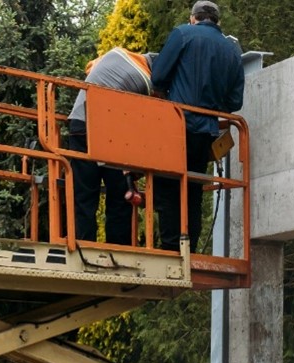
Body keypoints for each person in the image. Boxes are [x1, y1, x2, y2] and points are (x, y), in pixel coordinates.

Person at [149, 0, 245, 252]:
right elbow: (235, 101)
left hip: (176, 126)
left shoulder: (183, 34)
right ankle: (187, 249)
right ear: (218, 22)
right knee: (192, 189)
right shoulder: (231, 49)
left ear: (194, 18)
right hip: (206, 132)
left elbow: (157, 78)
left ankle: (170, 247)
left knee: (168, 185)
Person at [67, 47, 153, 245]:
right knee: (120, 195)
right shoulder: (144, 77)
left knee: (84, 194)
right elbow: (146, 118)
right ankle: (118, 249)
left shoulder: (114, 55)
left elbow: (90, 69)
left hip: (80, 123)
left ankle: (82, 245)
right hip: (106, 131)